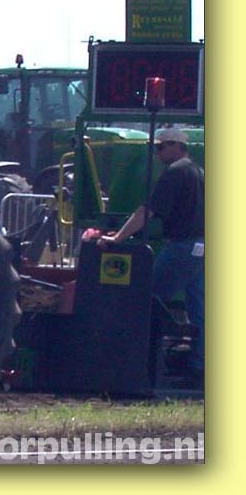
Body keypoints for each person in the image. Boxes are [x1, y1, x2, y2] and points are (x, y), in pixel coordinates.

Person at [97, 127, 204, 386]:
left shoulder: (176, 172)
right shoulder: (198, 172)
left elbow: (148, 211)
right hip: (200, 247)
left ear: (177, 146)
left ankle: (138, 367)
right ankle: (198, 368)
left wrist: (117, 238)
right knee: (200, 312)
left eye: (161, 147)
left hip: (181, 247)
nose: (157, 153)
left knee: (146, 302)